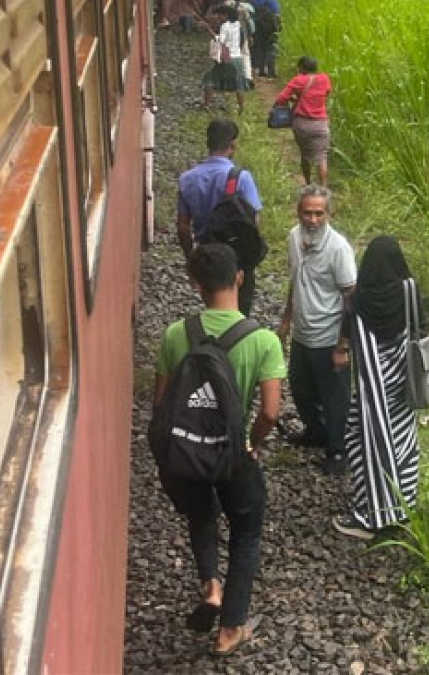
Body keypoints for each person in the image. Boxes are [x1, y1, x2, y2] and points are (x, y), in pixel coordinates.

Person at [154, 243, 284, 657]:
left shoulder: (178, 334)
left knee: (201, 514)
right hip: (233, 456)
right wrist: (252, 443)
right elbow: (270, 412)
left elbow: (161, 405)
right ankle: (230, 628)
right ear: (239, 278)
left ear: (195, 283)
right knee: (245, 532)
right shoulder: (263, 341)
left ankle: (211, 584)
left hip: (187, 453)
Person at [335, 236, 422, 540]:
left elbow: (348, 332)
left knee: (364, 441)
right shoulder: (410, 290)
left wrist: (341, 350)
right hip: (404, 384)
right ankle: (404, 507)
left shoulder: (361, 299)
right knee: (403, 442)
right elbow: (421, 328)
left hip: (373, 387)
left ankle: (370, 516)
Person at [277, 186, 357, 476]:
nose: (312, 220)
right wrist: (287, 318)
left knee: (334, 398)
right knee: (300, 388)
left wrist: (343, 346)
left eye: (318, 213)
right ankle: (316, 432)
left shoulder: (338, 249)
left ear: (328, 214)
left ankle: (337, 449)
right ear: (298, 212)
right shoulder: (293, 237)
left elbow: (351, 299)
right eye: (307, 213)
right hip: (302, 333)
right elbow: (295, 279)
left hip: (328, 336)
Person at [177, 119, 263, 316]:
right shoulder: (241, 177)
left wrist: (190, 256)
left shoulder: (187, 179)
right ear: (232, 145)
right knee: (240, 310)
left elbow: (183, 226)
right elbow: (255, 219)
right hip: (237, 253)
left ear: (208, 143)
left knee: (213, 306)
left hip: (207, 253)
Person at [274, 56, 333, 186]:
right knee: (322, 157)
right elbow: (326, 92)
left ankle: (308, 183)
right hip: (321, 124)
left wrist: (292, 100)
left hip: (302, 124)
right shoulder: (324, 78)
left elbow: (281, 99)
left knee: (305, 155)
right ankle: (323, 188)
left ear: (301, 68)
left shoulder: (298, 80)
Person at [203, 4, 246, 113]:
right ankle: (241, 107)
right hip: (238, 58)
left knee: (210, 79)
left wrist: (208, 29)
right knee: (239, 83)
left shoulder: (225, 26)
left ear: (226, 15)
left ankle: (206, 105)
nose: (218, 18)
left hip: (227, 58)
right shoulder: (237, 24)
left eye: (220, 15)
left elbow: (220, 40)